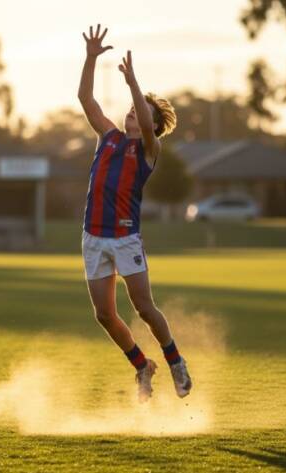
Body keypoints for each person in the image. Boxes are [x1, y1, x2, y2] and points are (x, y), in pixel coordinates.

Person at [77, 24, 191, 403]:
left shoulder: (148, 149)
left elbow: (144, 121)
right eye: (128, 111)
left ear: (154, 129)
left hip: (125, 237)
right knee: (104, 315)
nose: (129, 116)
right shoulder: (107, 137)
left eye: (136, 114)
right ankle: (143, 366)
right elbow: (86, 99)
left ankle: (174, 360)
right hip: (94, 236)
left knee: (143, 307)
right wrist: (91, 58)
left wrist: (133, 84)